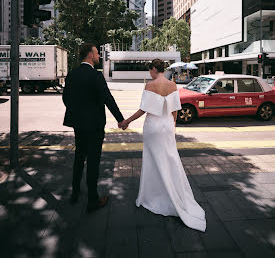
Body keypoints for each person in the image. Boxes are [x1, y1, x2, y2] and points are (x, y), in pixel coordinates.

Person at [119, 59, 206, 232]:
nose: (149, 73)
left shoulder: (150, 85)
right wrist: (172, 127)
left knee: (152, 161)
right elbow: (174, 110)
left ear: (153, 69)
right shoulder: (172, 85)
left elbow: (144, 109)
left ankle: (153, 195)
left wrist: (127, 120)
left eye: (150, 70)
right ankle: (173, 193)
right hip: (166, 126)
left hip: (152, 127)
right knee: (169, 159)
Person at [62, 44, 124, 213]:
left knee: (79, 157)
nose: (99, 57)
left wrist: (79, 113)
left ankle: (75, 193)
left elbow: (66, 99)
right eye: (97, 54)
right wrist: (121, 120)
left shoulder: (72, 74)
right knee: (93, 162)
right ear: (90, 55)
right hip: (95, 126)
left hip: (78, 125)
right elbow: (108, 99)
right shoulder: (95, 76)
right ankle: (92, 200)